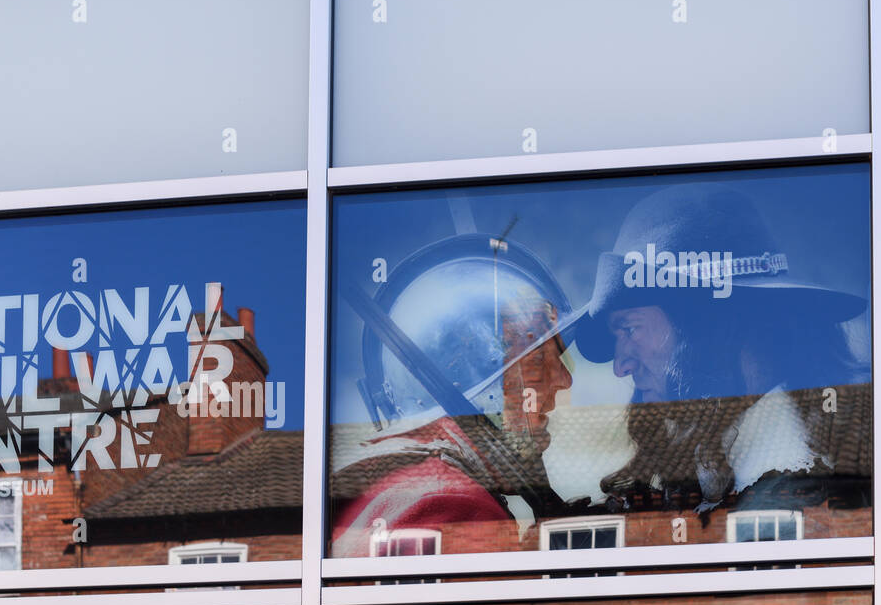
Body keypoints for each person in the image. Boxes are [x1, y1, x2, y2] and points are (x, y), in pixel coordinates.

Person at [575, 183, 867, 514]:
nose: (621, 367)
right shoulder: (734, 456)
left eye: (630, 329)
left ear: (706, 326)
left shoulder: (788, 483)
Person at [330, 233, 576, 557]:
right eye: (537, 360)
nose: (565, 380)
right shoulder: (455, 507)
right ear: (475, 381)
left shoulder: (404, 488)